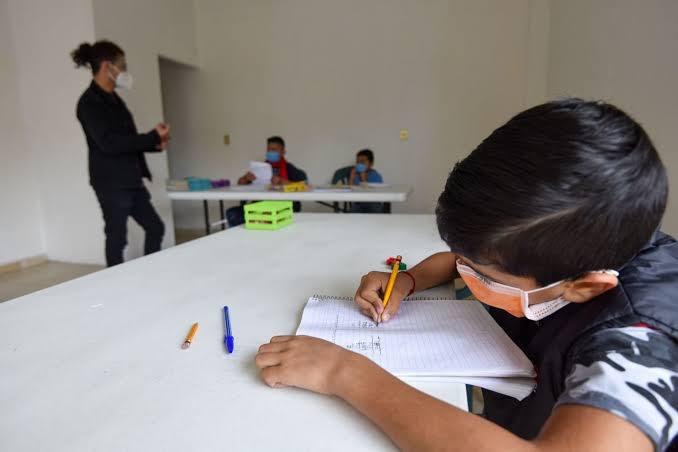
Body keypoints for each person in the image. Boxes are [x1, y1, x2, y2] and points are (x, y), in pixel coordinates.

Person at [255, 99, 678, 451]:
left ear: (584, 287)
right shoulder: (581, 240)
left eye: (482, 273)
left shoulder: (641, 338)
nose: (462, 269)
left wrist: (345, 373)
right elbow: (457, 262)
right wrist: (407, 280)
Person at [72, 40, 169, 267]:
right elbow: (108, 143)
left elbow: (127, 141)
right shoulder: (89, 103)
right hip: (111, 182)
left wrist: (155, 143)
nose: (125, 72)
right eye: (122, 66)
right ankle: (113, 285)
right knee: (117, 239)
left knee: (155, 227)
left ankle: (148, 272)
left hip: (131, 178)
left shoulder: (116, 100)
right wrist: (152, 137)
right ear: (107, 67)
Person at [227, 136, 307, 226]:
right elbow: (240, 183)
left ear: (283, 152)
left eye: (274, 150)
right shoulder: (260, 167)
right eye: (268, 150)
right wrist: (246, 178)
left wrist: (282, 181)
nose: (270, 152)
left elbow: (304, 186)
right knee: (233, 213)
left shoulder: (290, 168)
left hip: (282, 207)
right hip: (261, 204)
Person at [349, 148, 384, 213]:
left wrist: (363, 177)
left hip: (373, 202)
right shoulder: (356, 175)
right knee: (353, 211)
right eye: (358, 162)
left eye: (363, 161)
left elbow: (370, 192)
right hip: (359, 202)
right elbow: (351, 190)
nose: (360, 164)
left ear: (371, 164)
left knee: (376, 210)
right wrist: (352, 177)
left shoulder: (375, 175)